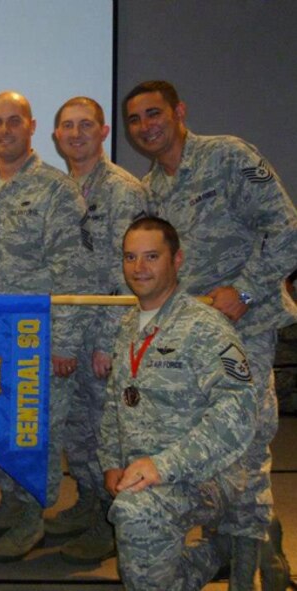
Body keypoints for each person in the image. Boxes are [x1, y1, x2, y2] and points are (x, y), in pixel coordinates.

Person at [124, 80, 296, 588]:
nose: (145, 127)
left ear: (179, 111)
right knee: (208, 443)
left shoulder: (227, 158)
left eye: (154, 113)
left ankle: (259, 557)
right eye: (135, 120)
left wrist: (244, 292)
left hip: (249, 325)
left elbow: (287, 229)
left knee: (246, 440)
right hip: (190, 338)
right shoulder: (150, 188)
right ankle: (238, 540)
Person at [0, 91, 94, 562]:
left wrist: (64, 341)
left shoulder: (58, 189)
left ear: (32, 127)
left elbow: (73, 272)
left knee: (35, 431)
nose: (4, 130)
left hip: (37, 338)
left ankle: (32, 516)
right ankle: (8, 503)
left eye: (14, 121)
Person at [99, 216, 256, 590]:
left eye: (151, 256)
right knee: (143, 567)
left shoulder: (206, 327)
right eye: (130, 257)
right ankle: (216, 556)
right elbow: (114, 403)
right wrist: (110, 463)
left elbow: (238, 413)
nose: (139, 268)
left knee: (135, 515)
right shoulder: (127, 326)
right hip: (144, 470)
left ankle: (215, 555)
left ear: (177, 260)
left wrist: (162, 466)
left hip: (205, 473)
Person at [48, 97, 149, 564]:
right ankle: (90, 502)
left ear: (103, 131)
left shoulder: (121, 190)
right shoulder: (61, 188)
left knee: (105, 429)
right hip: (69, 329)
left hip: (104, 335)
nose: (75, 133)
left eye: (85, 125)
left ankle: (113, 520)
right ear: (55, 136)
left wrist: (109, 342)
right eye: (67, 126)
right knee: (75, 429)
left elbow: (126, 271)